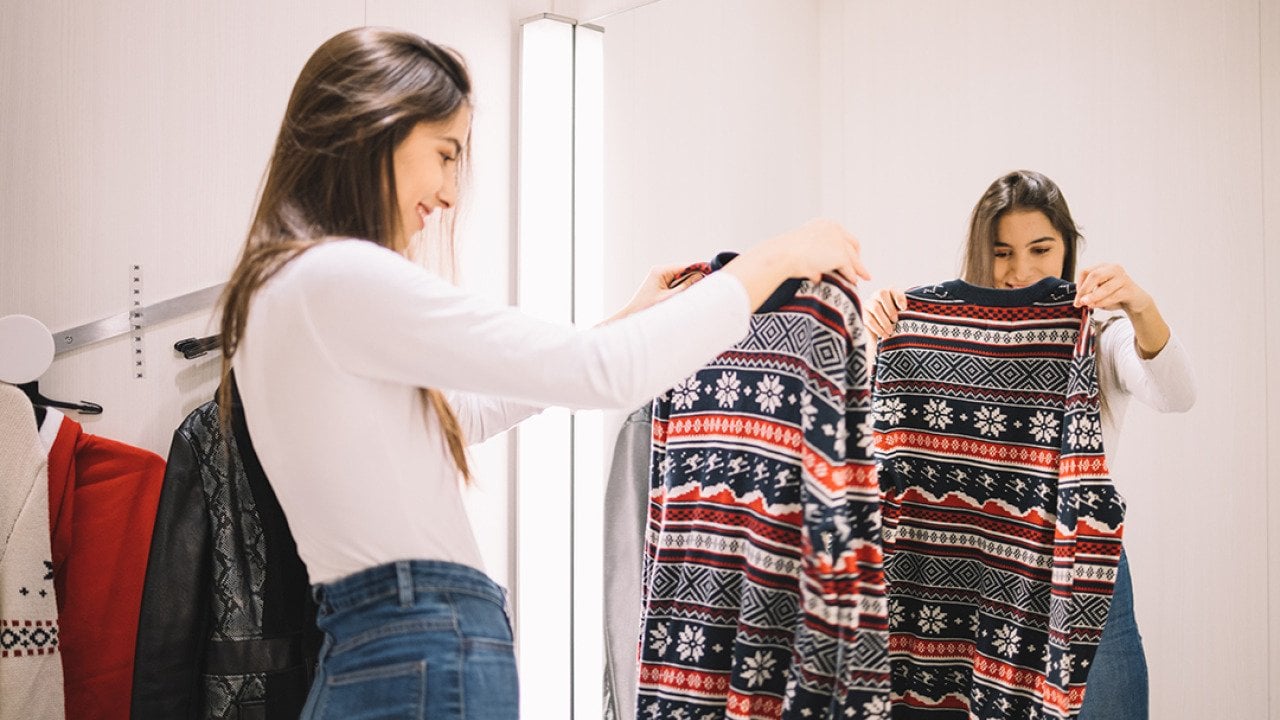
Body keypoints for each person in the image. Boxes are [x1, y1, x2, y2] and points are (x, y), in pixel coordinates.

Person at [216, 27, 871, 720]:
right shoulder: (336, 276)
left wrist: (622, 320)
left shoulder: (280, 293)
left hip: (367, 653)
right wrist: (774, 259)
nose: (445, 192)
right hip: (421, 650)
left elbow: (461, 416)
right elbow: (611, 374)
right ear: (375, 124)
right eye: (444, 154)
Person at [862, 169, 1196, 720]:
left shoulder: (1099, 334)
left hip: (1077, 569)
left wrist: (1140, 307)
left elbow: (1177, 394)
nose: (1021, 270)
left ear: (1067, 248)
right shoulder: (923, 327)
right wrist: (887, 331)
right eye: (1002, 252)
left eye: (1040, 248)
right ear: (979, 253)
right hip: (965, 575)